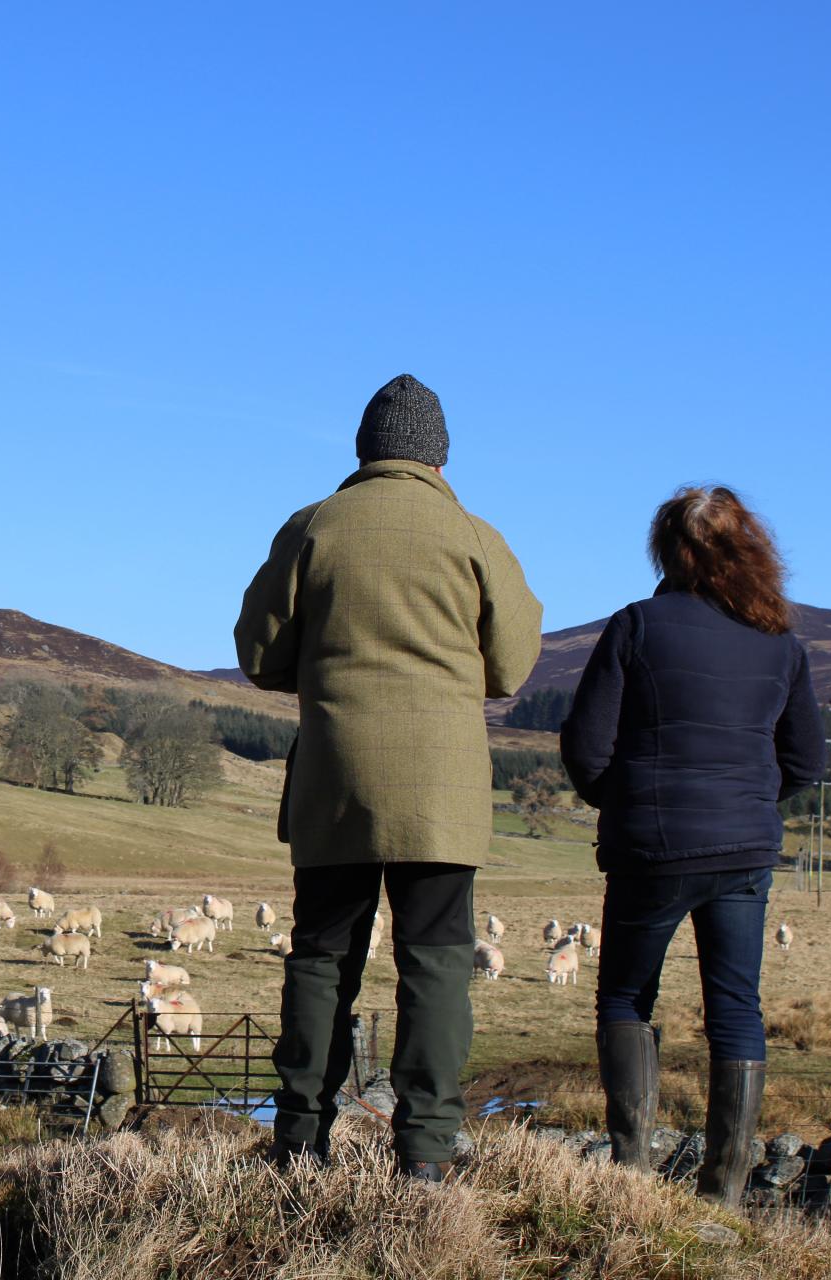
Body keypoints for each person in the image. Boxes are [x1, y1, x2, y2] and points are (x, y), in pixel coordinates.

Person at [234, 373, 542, 1180]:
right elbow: (511, 666)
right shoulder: (474, 536)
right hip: (442, 788)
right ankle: (427, 1153)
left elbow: (259, 657)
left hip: (336, 778)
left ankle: (299, 1142)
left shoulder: (314, 526)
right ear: (439, 459)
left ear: (365, 450)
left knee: (322, 957)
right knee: (437, 960)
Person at [560, 485, 824, 1207]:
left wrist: (625, 803)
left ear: (667, 549)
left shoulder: (637, 626)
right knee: (736, 1007)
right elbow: (806, 762)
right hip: (743, 852)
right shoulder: (779, 643)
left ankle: (633, 1178)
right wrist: (744, 803)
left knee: (624, 997)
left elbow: (586, 748)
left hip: (651, 849)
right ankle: (726, 1192)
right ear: (747, 550)